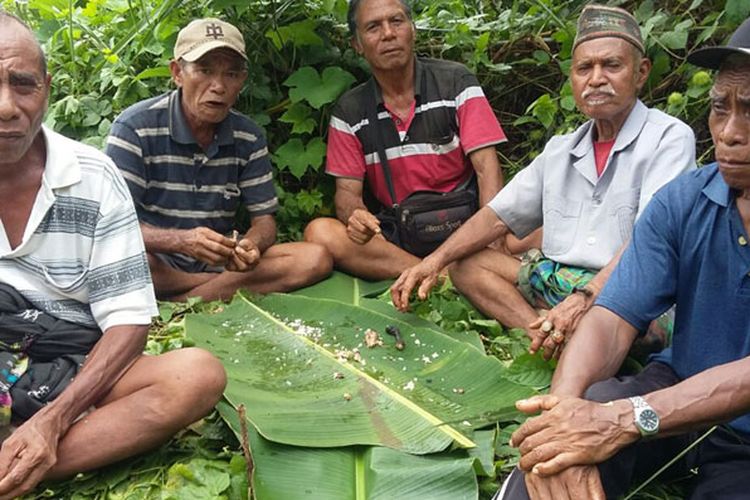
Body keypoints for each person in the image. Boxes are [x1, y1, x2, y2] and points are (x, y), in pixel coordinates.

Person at [497, 17, 750, 500]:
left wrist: (624, 420)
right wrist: (563, 419)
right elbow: (612, 318)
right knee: (566, 440)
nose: (731, 133)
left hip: (733, 432)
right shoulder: (686, 201)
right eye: (721, 109)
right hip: (676, 384)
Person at [0, 12, 226, 497]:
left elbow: (128, 322)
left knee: (196, 375)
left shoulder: (92, 176)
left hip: (73, 360)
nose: (6, 107)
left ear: (47, 87)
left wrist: (55, 420)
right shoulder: (140, 125)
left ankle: (25, 454)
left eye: (23, 85)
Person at [391, 4, 695, 359]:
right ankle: (544, 335)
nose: (596, 78)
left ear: (641, 72)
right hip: (558, 283)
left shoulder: (670, 138)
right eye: (584, 68)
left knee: (630, 318)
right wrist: (432, 261)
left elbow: (648, 241)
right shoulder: (561, 150)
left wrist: (584, 297)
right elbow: (496, 216)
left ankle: (579, 338)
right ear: (573, 79)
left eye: (611, 65)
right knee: (467, 265)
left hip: (627, 290)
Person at [106, 18, 332, 302]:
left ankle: (184, 298)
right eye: (205, 70)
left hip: (220, 261)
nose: (218, 86)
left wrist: (250, 245)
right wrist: (183, 242)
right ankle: (216, 289)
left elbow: (264, 222)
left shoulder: (248, 136)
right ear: (177, 72)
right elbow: (111, 226)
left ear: (242, 81)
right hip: (157, 261)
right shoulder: (134, 128)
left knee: (315, 257)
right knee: (125, 264)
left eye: (231, 74)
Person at [303, 0, 517, 281]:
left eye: (397, 21)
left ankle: (453, 267)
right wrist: (356, 217)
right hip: (400, 235)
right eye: (373, 27)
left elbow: (487, 170)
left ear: (413, 29)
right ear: (356, 43)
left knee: (541, 218)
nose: (388, 34)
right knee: (319, 232)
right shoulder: (350, 110)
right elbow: (347, 194)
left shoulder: (455, 81)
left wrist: (491, 238)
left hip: (468, 228)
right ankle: (439, 275)